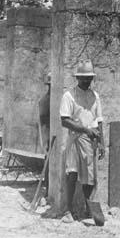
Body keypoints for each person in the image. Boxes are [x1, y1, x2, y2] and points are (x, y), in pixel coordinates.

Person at [43, 60, 105, 220]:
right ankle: (68, 210)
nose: (86, 81)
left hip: (90, 141)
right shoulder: (69, 95)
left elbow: (99, 121)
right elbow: (64, 120)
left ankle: (88, 209)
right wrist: (84, 129)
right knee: (72, 174)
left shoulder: (95, 96)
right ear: (77, 78)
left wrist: (102, 142)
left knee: (89, 177)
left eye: (89, 78)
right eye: (83, 78)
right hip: (74, 139)